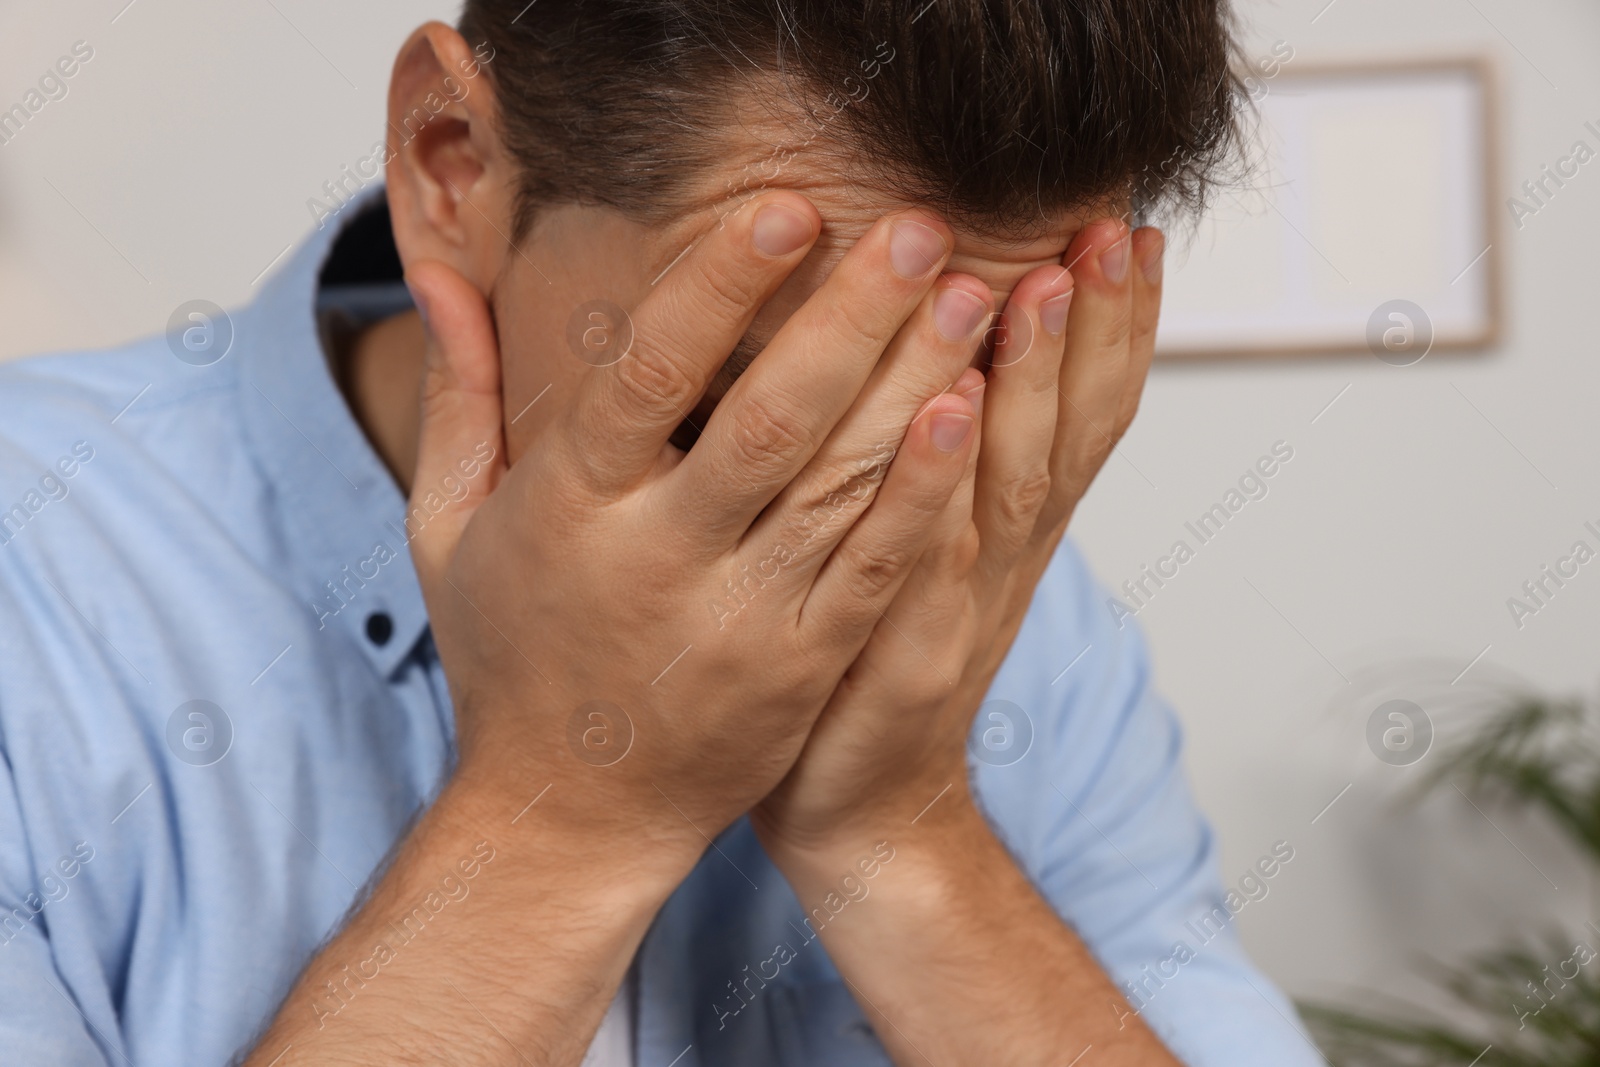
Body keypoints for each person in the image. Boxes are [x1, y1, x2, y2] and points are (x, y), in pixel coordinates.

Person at [0, 2, 1324, 1064]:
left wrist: (904, 834)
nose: (867, 510)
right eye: (765, 407)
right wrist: (568, 814)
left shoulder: (1021, 623)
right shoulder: (40, 558)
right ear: (450, 163)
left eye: (968, 396)